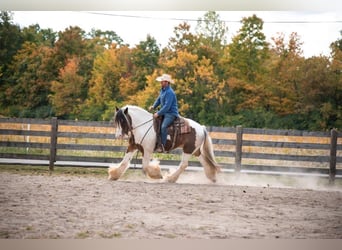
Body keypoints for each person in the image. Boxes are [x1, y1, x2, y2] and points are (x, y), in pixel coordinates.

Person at [149, 73, 179, 153]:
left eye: (162, 81)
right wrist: (153, 106)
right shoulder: (163, 90)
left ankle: (162, 146)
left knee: (163, 127)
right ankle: (155, 142)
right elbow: (159, 100)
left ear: (166, 82)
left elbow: (167, 106)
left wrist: (158, 113)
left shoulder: (170, 92)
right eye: (161, 81)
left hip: (171, 113)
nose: (161, 83)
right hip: (165, 112)